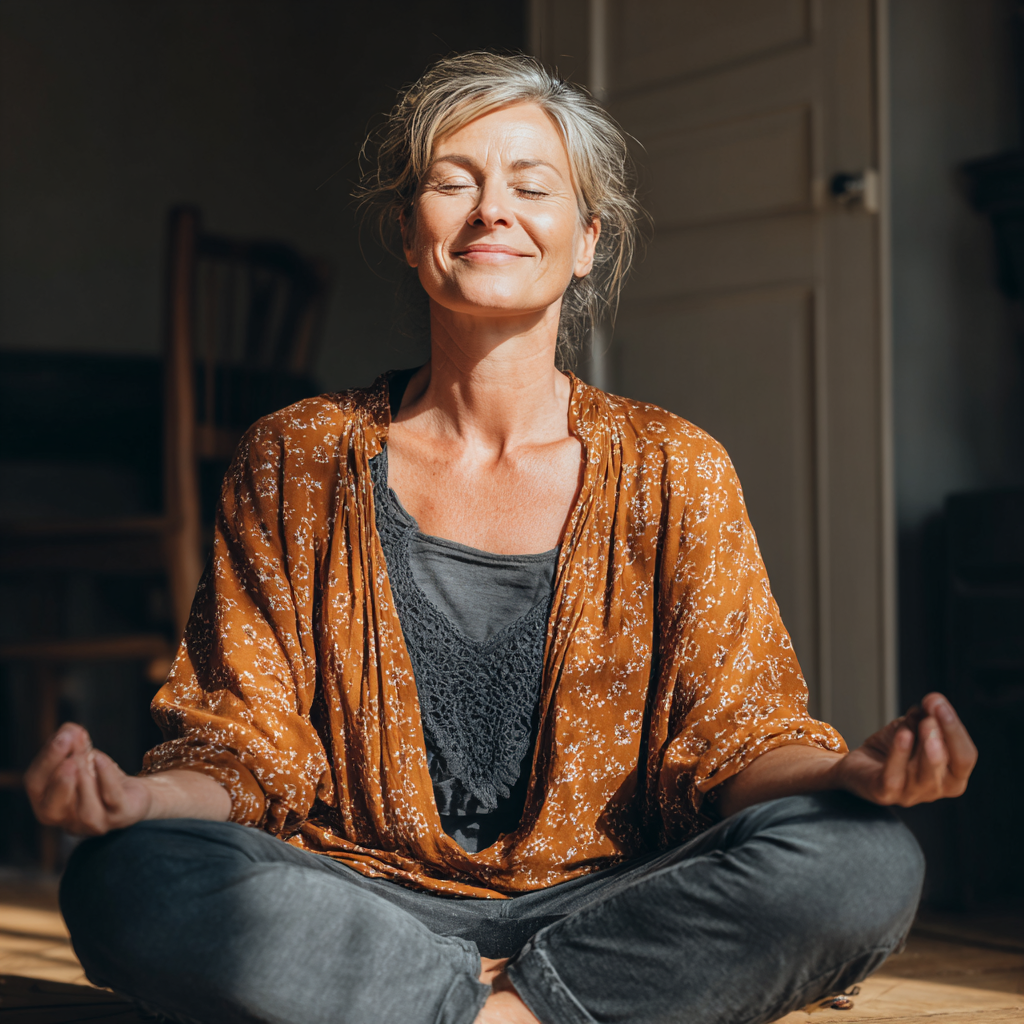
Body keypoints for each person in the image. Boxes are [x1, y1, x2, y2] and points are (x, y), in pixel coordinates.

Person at [26, 52, 975, 1024]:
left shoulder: (673, 466)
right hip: (357, 901)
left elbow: (736, 742)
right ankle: (524, 1009)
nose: (491, 211)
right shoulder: (297, 453)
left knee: (864, 860)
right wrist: (135, 805)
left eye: (531, 186)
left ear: (588, 240)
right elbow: (246, 744)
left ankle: (492, 1009)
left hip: (609, 900)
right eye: (453, 183)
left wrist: (848, 774)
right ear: (407, 230)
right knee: (126, 877)